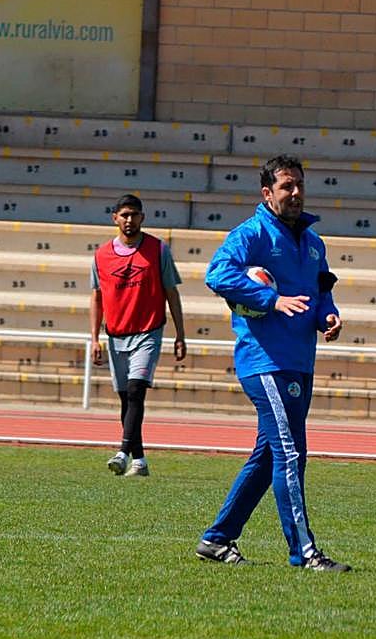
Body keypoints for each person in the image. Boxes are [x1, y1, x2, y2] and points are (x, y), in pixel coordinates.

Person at [195, 155, 350, 572]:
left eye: (299, 184)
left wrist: (327, 316)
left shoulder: (314, 243)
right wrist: (271, 300)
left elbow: (321, 289)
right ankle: (305, 552)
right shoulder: (251, 235)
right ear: (267, 193)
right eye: (286, 186)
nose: (295, 193)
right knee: (291, 452)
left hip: (300, 360)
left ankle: (217, 538)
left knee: (268, 456)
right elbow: (218, 275)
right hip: (264, 361)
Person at [90, 194, 187, 478]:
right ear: (115, 218)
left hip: (148, 331)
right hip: (116, 334)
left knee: (135, 391)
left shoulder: (158, 250)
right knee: (127, 399)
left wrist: (180, 335)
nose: (129, 220)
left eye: (134, 215)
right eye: (124, 215)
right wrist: (94, 337)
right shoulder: (101, 255)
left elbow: (172, 292)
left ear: (142, 217)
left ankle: (122, 452)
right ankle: (140, 460)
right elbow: (96, 298)